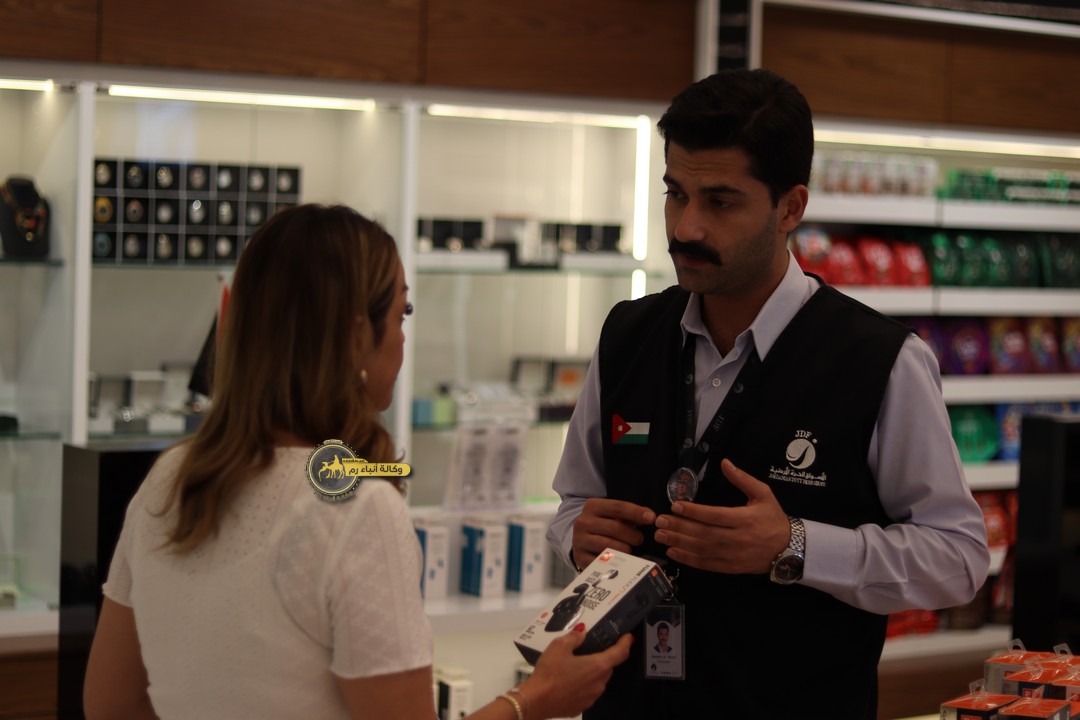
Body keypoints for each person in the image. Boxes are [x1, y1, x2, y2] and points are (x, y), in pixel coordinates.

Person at [545, 68, 990, 719]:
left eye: (720, 202)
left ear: (790, 208)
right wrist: (576, 536)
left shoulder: (881, 361)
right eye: (676, 194)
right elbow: (571, 504)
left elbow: (959, 558)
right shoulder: (627, 334)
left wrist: (795, 546)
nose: (686, 227)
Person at [83, 204, 632, 720]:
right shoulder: (353, 507)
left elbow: (109, 705)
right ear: (355, 337)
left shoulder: (170, 478)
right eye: (400, 314)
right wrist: (532, 699)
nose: (402, 339)